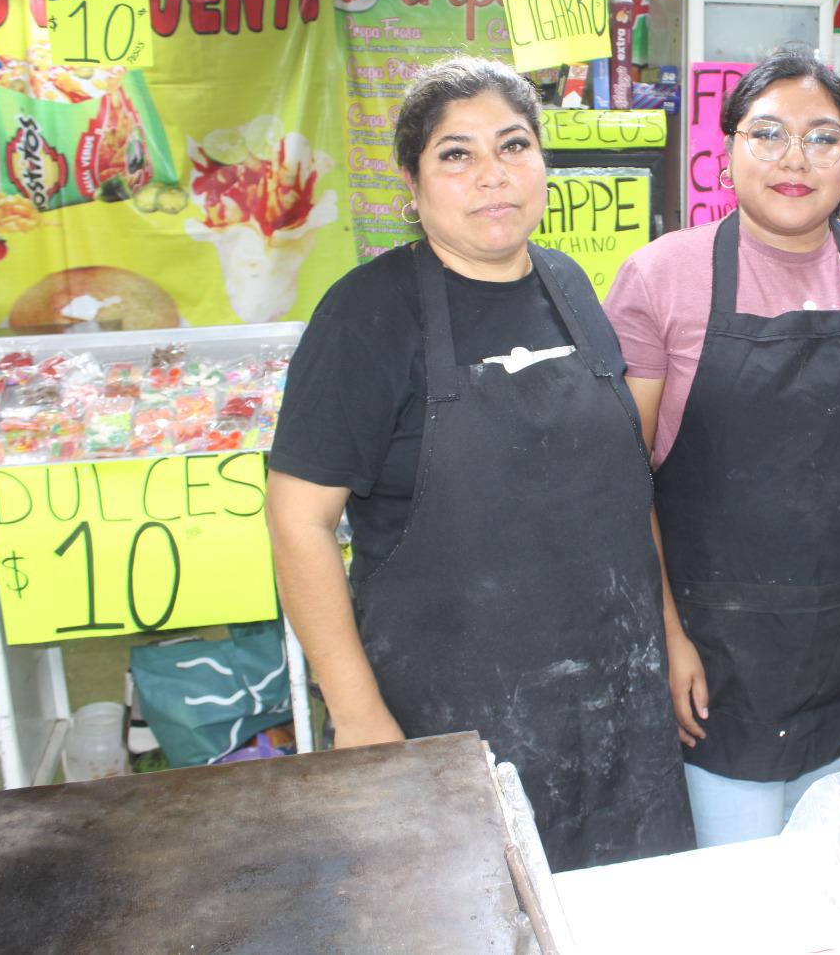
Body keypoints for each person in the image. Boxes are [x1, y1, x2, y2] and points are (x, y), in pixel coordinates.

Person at [264, 56, 692, 871]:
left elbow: (624, 484)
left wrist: (668, 635)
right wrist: (355, 715)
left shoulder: (570, 286)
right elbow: (299, 522)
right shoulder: (365, 315)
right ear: (414, 182)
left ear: (543, 163)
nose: (492, 175)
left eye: (514, 145)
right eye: (456, 155)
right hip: (452, 706)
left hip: (613, 695)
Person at [604, 52, 840, 847]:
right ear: (726, 147)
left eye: (822, 138)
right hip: (717, 656)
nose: (794, 160)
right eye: (767, 134)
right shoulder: (661, 278)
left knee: (827, 873)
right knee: (741, 894)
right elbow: (619, 478)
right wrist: (664, 637)